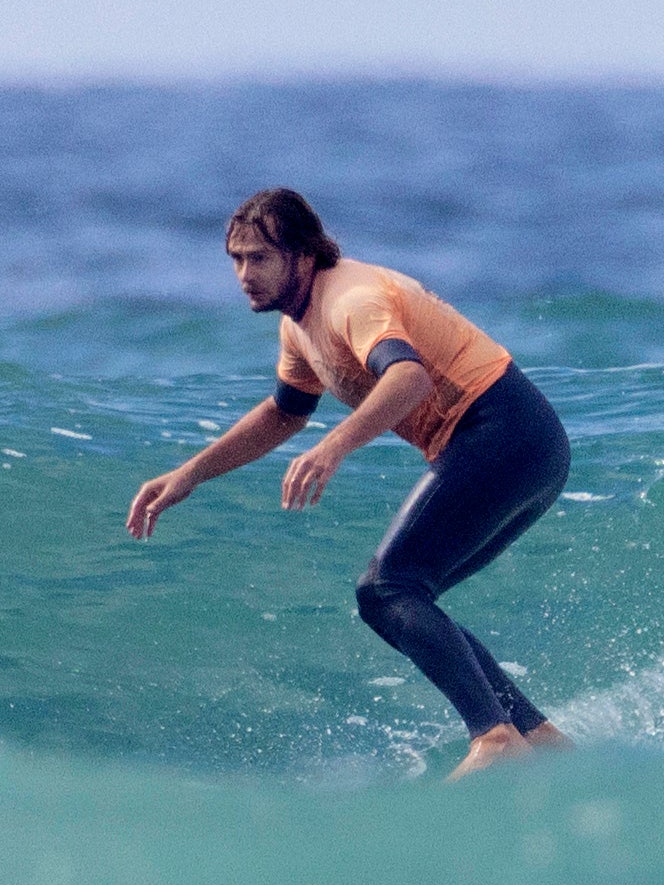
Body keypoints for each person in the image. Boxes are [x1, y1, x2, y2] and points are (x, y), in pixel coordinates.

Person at [125, 188, 574, 775]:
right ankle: (537, 738)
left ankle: (494, 738)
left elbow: (408, 378)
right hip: (527, 444)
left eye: (259, 258)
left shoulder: (350, 301)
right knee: (405, 596)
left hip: (503, 433)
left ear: (304, 255)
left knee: (387, 589)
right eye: (236, 259)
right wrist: (191, 474)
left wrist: (334, 446)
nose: (244, 275)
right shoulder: (300, 323)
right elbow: (286, 412)